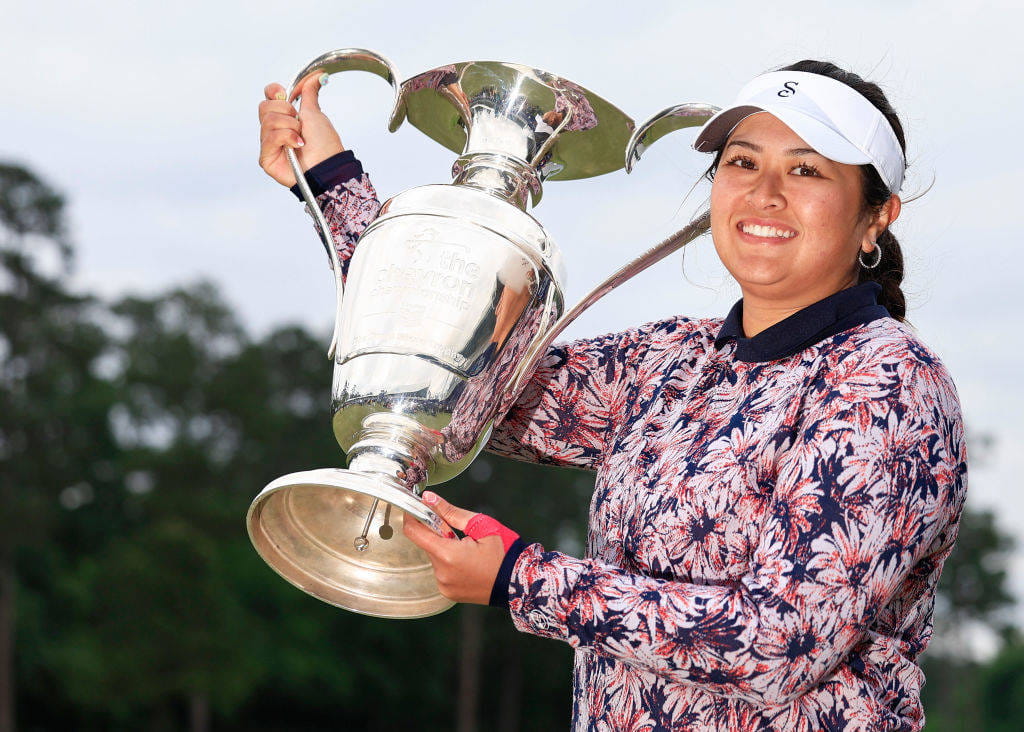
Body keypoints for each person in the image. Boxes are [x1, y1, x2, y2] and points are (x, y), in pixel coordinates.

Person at [257, 60, 967, 730]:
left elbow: (778, 643)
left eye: (806, 170)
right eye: (743, 162)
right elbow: (461, 372)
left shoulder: (888, 384)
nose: (765, 193)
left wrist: (519, 578)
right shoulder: (669, 361)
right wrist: (327, 179)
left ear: (877, 215)